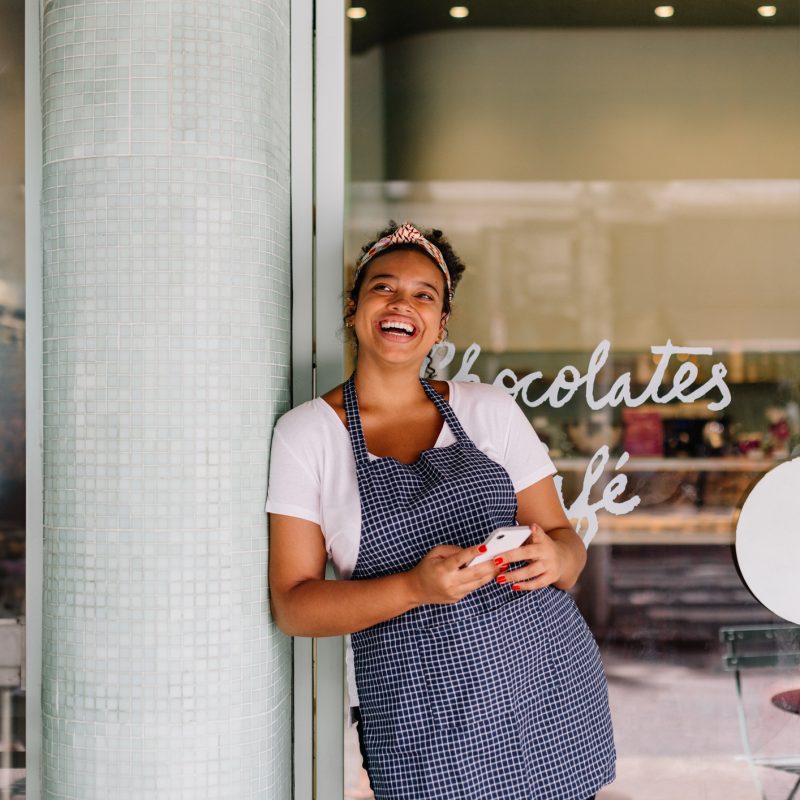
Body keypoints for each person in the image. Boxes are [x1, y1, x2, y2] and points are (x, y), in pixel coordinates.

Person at [266, 222, 615, 799]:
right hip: (423, 718)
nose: (403, 302)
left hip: (544, 686)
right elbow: (294, 606)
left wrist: (555, 558)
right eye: (384, 287)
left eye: (425, 294)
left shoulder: (490, 410)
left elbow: (566, 545)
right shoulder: (307, 435)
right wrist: (414, 588)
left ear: (441, 325)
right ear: (354, 310)